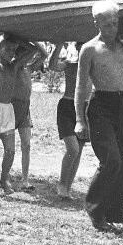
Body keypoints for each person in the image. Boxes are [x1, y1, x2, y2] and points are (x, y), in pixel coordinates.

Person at [74, 1, 123, 231]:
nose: (112, 28)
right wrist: (79, 119)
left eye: (115, 23)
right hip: (101, 105)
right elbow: (80, 86)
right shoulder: (89, 49)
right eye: (107, 24)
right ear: (96, 23)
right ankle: (94, 208)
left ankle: (114, 216)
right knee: (111, 159)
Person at [0, 33, 38, 196]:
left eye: (14, 50)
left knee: (10, 150)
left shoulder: (15, 66)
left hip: (6, 110)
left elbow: (33, 51)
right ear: (1, 49)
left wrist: (19, 39)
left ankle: (3, 179)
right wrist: (4, 35)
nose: (12, 52)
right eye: (8, 49)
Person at [48, 42, 87, 199]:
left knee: (79, 150)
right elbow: (52, 66)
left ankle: (67, 189)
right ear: (77, 48)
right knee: (73, 149)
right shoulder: (70, 65)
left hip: (85, 108)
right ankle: (62, 186)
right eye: (80, 47)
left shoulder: (95, 65)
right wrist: (59, 45)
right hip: (67, 105)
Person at [9, 36, 46, 191]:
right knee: (9, 147)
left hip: (25, 109)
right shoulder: (14, 66)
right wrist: (26, 40)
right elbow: (34, 51)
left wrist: (35, 40)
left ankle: (25, 179)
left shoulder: (28, 68)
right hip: (11, 108)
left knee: (27, 144)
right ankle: (5, 176)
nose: (27, 56)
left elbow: (44, 54)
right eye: (23, 54)